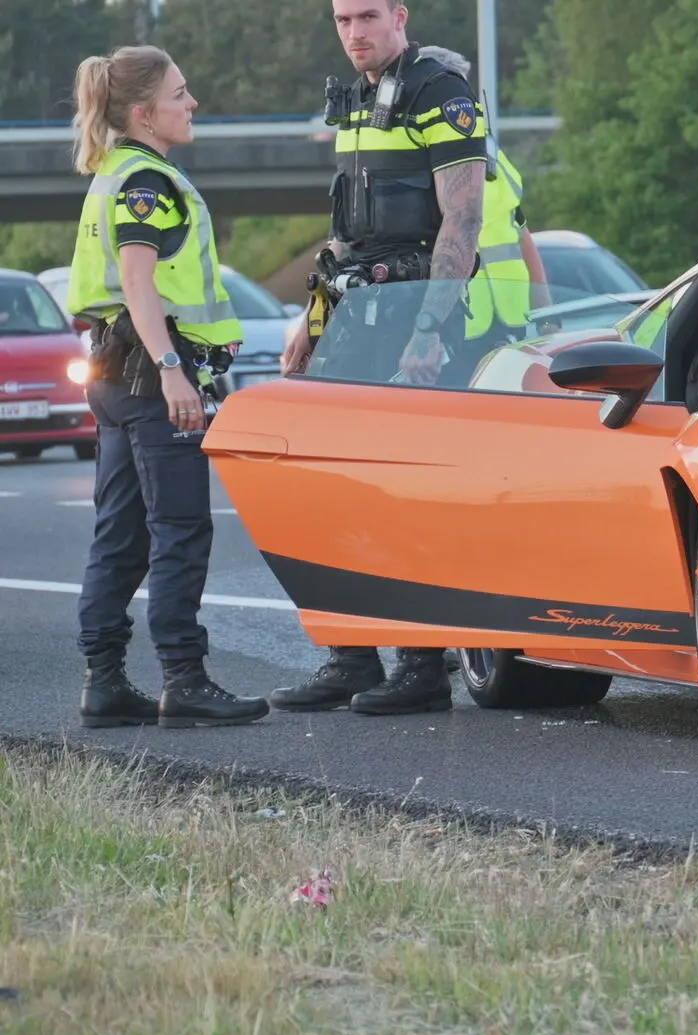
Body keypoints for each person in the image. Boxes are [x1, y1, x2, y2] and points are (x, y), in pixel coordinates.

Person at [269, 0, 490, 715]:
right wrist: (311, 322)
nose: (355, 32)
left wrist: (428, 334)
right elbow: (347, 234)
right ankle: (352, 656)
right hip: (356, 316)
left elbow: (463, 219)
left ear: (401, 14)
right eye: (342, 20)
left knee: (403, 497)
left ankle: (422, 666)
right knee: (338, 491)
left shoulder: (439, 91)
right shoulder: (360, 100)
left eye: (368, 16)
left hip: (414, 317)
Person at [64, 46, 270, 728]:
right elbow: (137, 278)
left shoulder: (116, 171)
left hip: (118, 375)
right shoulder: (144, 182)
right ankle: (184, 680)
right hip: (153, 379)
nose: (194, 103)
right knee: (179, 530)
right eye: (181, 94)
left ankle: (105, 683)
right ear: (145, 113)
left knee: (119, 535)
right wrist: (173, 367)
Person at [414, 45, 554, 383]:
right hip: (456, 326)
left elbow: (520, 235)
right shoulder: (417, 161)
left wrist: (548, 312)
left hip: (512, 322)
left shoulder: (494, 159)